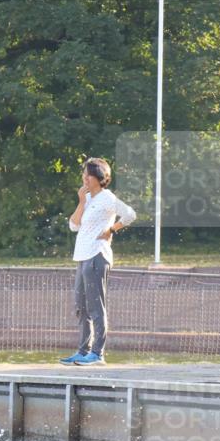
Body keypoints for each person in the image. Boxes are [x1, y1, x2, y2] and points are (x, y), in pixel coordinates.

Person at [59, 157, 136, 366]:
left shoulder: (106, 198)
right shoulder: (89, 199)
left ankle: (97, 353)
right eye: (84, 173)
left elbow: (130, 214)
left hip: (97, 256)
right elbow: (73, 226)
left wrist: (111, 230)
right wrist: (82, 202)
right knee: (80, 307)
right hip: (82, 257)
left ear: (98, 178)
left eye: (88, 174)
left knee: (95, 306)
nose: (84, 177)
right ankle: (83, 351)